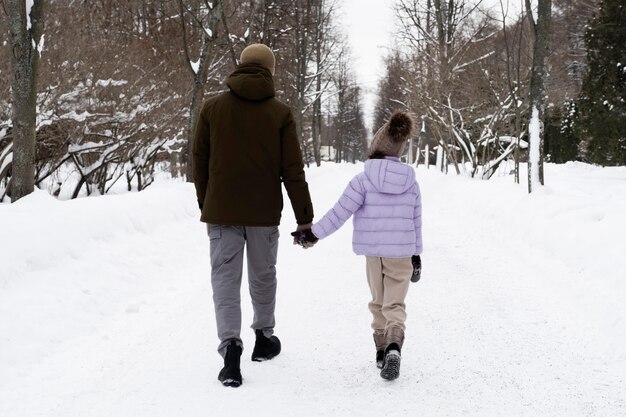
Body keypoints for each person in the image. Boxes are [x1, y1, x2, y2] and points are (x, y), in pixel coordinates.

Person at [192, 43, 314, 388]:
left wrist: (208, 203)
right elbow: (293, 170)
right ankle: (263, 339)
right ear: (270, 71)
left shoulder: (212, 109)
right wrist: (304, 219)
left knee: (225, 280)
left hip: (222, 212)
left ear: (241, 66)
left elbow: (198, 162)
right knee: (263, 275)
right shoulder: (280, 113)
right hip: (263, 215)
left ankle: (230, 352)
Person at [292, 110, 422, 381]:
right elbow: (416, 219)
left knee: (378, 301)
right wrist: (416, 254)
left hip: (374, 253)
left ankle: (380, 350)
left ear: (376, 146)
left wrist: (313, 234)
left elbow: (339, 212)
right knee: (395, 302)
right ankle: (395, 346)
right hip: (401, 252)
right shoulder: (410, 181)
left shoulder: (363, 180)